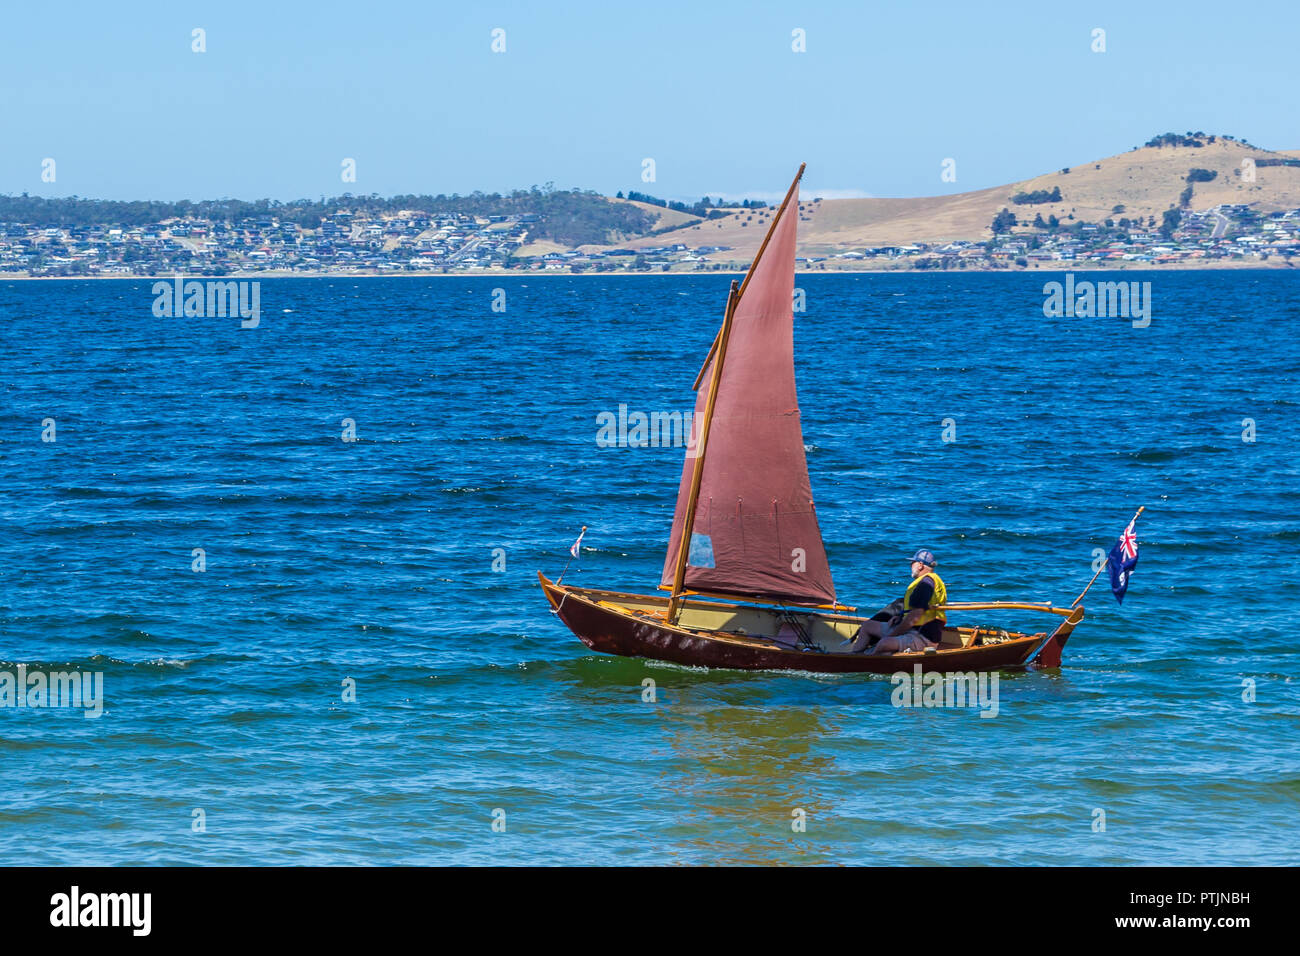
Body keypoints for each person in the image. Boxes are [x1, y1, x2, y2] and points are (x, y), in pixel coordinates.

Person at [842, 549, 948, 654]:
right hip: (911, 629)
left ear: (920, 565)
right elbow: (917, 612)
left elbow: (914, 617)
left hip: (922, 636)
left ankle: (866, 659)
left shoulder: (925, 584)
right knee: (867, 626)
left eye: (912, 563)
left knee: (885, 643)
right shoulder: (929, 581)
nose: (910, 565)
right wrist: (901, 617)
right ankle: (855, 655)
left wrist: (893, 634)